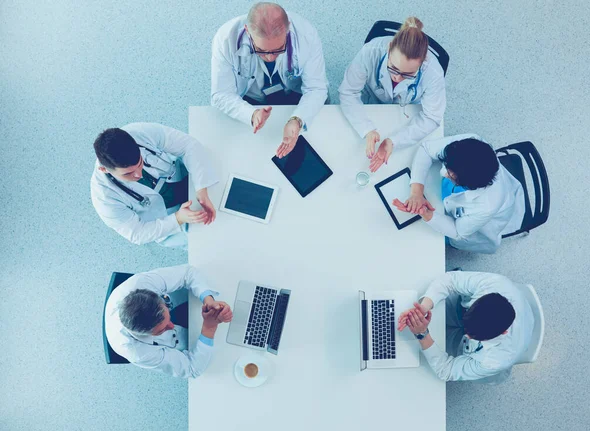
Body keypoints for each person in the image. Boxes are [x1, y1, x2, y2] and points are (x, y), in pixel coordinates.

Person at [211, 2, 328, 158]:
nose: (270, 57)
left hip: (294, 94)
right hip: (251, 101)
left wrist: (297, 119)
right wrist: (250, 114)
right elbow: (221, 94)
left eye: (278, 49)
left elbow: (316, 88)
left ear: (288, 29)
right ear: (247, 31)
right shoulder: (225, 39)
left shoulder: (306, 35)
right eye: (261, 50)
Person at [339, 17, 446, 173]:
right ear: (389, 48)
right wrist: (366, 129)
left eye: (408, 74)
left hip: (405, 113)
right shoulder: (370, 52)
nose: (397, 78)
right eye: (394, 68)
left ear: (423, 62)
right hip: (371, 102)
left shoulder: (434, 73)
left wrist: (394, 141)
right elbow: (348, 91)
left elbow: (432, 117)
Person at [91, 122, 218, 248]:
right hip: (168, 218)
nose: (138, 175)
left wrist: (201, 188)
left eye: (140, 163)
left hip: (185, 180)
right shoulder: (104, 198)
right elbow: (137, 234)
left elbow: (188, 146)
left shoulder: (139, 133)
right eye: (128, 173)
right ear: (104, 170)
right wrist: (178, 218)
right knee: (209, 243)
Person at [393, 133, 525, 253]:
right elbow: (426, 150)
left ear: (469, 185)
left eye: (451, 176)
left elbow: (457, 231)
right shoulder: (469, 145)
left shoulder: (487, 205)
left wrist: (426, 214)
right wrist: (417, 192)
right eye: (447, 167)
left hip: (481, 221)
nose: (444, 173)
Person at [398, 271, 534, 383]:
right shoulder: (493, 285)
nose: (467, 335)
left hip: (471, 351)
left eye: (473, 335)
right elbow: (449, 280)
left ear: (503, 332)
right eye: (468, 329)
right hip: (462, 312)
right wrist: (423, 307)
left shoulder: (495, 360)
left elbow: (447, 371)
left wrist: (422, 335)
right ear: (480, 299)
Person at [104, 265, 233, 378]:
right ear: (145, 334)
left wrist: (208, 299)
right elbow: (192, 369)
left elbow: (188, 273)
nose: (171, 326)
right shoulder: (139, 353)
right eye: (161, 330)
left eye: (166, 313)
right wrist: (209, 328)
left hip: (188, 302)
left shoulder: (141, 283)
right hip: (188, 341)